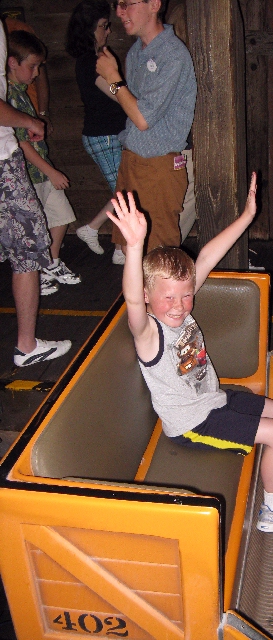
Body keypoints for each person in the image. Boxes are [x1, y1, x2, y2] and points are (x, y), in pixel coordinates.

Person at [107, 173, 273, 533]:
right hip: (191, 424)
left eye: (186, 295)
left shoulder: (179, 306)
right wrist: (134, 246)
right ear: (151, 297)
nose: (179, 305)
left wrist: (246, 218)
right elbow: (133, 298)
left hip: (213, 400)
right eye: (167, 297)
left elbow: (208, 255)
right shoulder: (149, 332)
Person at [96, 0, 196, 253]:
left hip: (158, 166)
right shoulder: (136, 52)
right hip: (132, 161)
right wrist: (114, 82)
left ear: (154, 4)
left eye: (126, 4)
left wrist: (114, 79)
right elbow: (133, 109)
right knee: (131, 248)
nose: (119, 12)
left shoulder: (172, 54)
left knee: (158, 256)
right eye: (117, 5)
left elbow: (143, 119)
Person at [0, 22, 71, 366]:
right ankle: (26, 347)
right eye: (32, 66)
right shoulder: (11, 92)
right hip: (5, 165)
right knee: (29, 245)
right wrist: (29, 122)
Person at [7, 30, 81, 296]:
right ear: (12, 62)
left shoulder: (22, 92)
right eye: (32, 66)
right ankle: (36, 273)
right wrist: (50, 171)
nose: (36, 73)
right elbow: (20, 144)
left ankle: (51, 262)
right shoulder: (9, 96)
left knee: (61, 216)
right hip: (30, 174)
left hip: (42, 171)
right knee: (35, 226)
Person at [65, 0, 127, 265]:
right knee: (125, 194)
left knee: (124, 191)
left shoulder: (96, 58)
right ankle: (119, 248)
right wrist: (128, 91)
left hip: (110, 133)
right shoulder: (91, 61)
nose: (108, 31)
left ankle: (93, 230)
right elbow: (115, 94)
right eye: (103, 26)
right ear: (89, 30)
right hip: (104, 136)